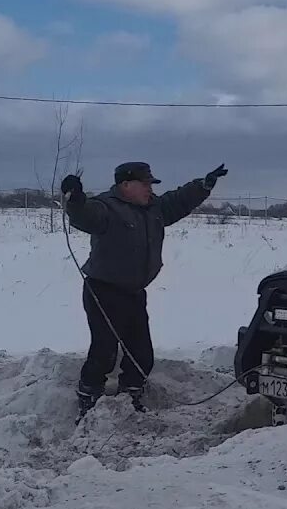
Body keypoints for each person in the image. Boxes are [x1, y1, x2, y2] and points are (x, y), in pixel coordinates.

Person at [61, 160, 228, 418]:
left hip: (134, 292)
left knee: (141, 354)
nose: (150, 188)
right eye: (145, 183)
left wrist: (202, 186)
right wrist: (74, 201)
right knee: (104, 351)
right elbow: (85, 216)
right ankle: (88, 396)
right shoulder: (107, 208)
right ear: (126, 184)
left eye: (151, 184)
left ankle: (130, 397)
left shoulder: (154, 208)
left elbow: (178, 201)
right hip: (103, 290)